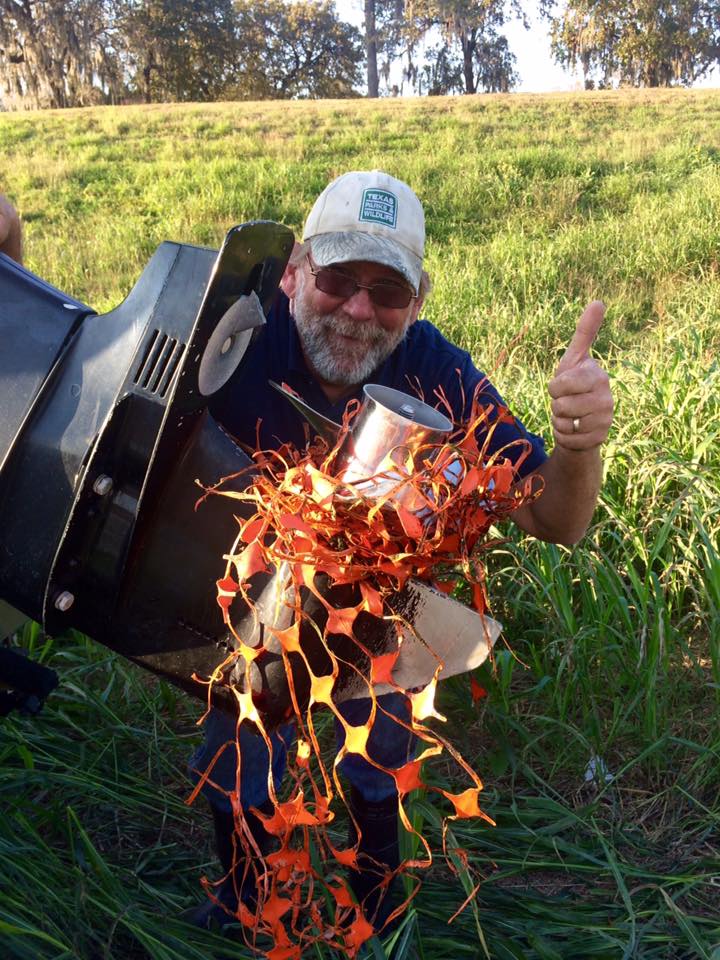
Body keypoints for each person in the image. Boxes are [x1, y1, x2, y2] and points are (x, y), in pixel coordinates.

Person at [0, 172, 613, 932]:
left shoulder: (436, 370)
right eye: (336, 279)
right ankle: (248, 905)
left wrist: (578, 443)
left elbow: (557, 519)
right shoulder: (231, 338)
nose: (359, 311)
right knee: (243, 742)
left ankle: (376, 901)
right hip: (238, 591)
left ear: (417, 301)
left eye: (386, 291)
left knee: (381, 745)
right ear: (293, 270)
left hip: (373, 595)